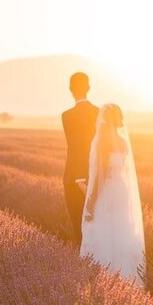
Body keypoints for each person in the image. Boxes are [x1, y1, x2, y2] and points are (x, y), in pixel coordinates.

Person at [80, 102, 146, 287]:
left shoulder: (103, 139)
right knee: (121, 231)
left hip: (107, 190)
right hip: (121, 190)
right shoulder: (123, 141)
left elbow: (102, 172)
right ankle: (125, 280)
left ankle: (104, 279)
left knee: (102, 231)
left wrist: (91, 201)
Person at [61, 71, 99, 247]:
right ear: (89, 88)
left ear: (70, 89)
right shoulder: (99, 113)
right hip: (97, 176)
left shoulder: (67, 116)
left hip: (72, 178)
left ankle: (83, 268)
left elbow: (75, 147)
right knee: (96, 226)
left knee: (79, 229)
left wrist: (78, 177)